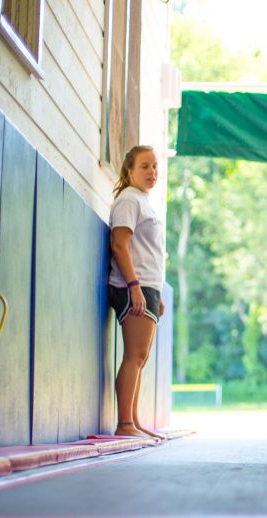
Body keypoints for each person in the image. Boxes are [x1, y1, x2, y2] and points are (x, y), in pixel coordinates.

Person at [107, 145, 165, 439]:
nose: (152, 172)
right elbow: (120, 245)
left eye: (154, 166)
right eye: (144, 166)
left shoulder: (144, 201)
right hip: (134, 286)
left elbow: (148, 252)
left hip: (147, 286)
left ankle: (133, 420)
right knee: (134, 356)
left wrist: (158, 294)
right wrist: (134, 287)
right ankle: (124, 424)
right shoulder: (129, 200)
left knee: (140, 358)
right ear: (129, 171)